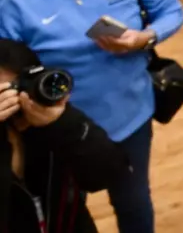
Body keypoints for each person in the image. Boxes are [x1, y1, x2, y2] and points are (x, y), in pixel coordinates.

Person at [0, 0, 183, 233]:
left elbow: (172, 11)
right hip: (58, 131)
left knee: (133, 201)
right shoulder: (15, 4)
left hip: (132, 118)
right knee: (67, 212)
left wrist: (145, 37)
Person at [0, 37, 129, 231]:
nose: (14, 101)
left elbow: (108, 175)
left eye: (18, 88)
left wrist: (65, 123)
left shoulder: (51, 120)